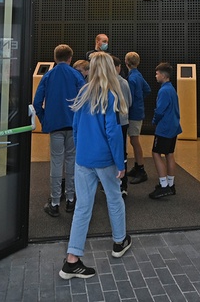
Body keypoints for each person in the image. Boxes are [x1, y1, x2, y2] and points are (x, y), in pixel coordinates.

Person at [59, 52, 131, 280]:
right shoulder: (110, 96)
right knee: (114, 198)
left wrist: (81, 153)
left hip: (84, 160)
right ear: (109, 68)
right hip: (105, 160)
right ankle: (119, 242)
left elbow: (76, 128)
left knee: (83, 207)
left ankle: (72, 260)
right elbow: (113, 133)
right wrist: (120, 163)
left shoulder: (83, 93)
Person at [33, 44, 85, 216]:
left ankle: (55, 202)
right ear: (70, 58)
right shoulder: (77, 75)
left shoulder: (48, 75)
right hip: (73, 125)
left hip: (55, 126)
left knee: (56, 163)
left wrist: (44, 119)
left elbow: (37, 102)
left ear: (55, 58)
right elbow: (84, 100)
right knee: (71, 161)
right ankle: (71, 200)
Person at [148, 62, 182, 199]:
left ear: (162, 75)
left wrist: (154, 121)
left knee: (156, 153)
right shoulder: (171, 89)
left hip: (164, 128)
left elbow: (160, 110)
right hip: (173, 127)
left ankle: (163, 186)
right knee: (169, 153)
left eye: (157, 74)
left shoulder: (163, 91)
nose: (155, 76)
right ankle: (170, 184)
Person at [125, 52, 150, 184]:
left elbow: (129, 99)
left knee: (134, 140)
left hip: (133, 114)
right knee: (134, 140)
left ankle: (141, 169)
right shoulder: (138, 75)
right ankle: (136, 166)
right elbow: (147, 89)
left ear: (126, 62)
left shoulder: (131, 79)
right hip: (138, 112)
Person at [112, 56, 132, 197]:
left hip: (111, 122)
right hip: (123, 121)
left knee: (111, 150)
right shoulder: (124, 82)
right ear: (117, 67)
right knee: (122, 151)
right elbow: (129, 101)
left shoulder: (106, 82)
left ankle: (111, 183)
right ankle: (123, 184)